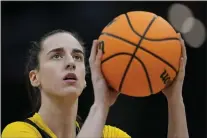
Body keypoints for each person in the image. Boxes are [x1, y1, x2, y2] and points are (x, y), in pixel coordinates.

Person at [2, 29, 189, 138]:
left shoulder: (110, 136)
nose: (70, 62)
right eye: (57, 56)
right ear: (35, 77)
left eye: (77, 56)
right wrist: (101, 104)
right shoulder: (18, 132)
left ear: (85, 79)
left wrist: (174, 99)